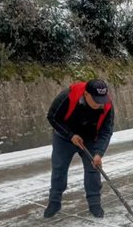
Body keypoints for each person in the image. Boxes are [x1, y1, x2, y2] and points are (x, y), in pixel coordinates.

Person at [44, 79, 114, 218]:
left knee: (93, 169)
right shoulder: (67, 96)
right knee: (59, 168)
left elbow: (106, 131)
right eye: (96, 100)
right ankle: (54, 202)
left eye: (102, 100)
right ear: (86, 94)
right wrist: (70, 135)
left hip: (90, 138)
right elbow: (52, 117)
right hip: (64, 137)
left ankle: (95, 204)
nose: (100, 103)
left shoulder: (107, 105)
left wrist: (99, 153)